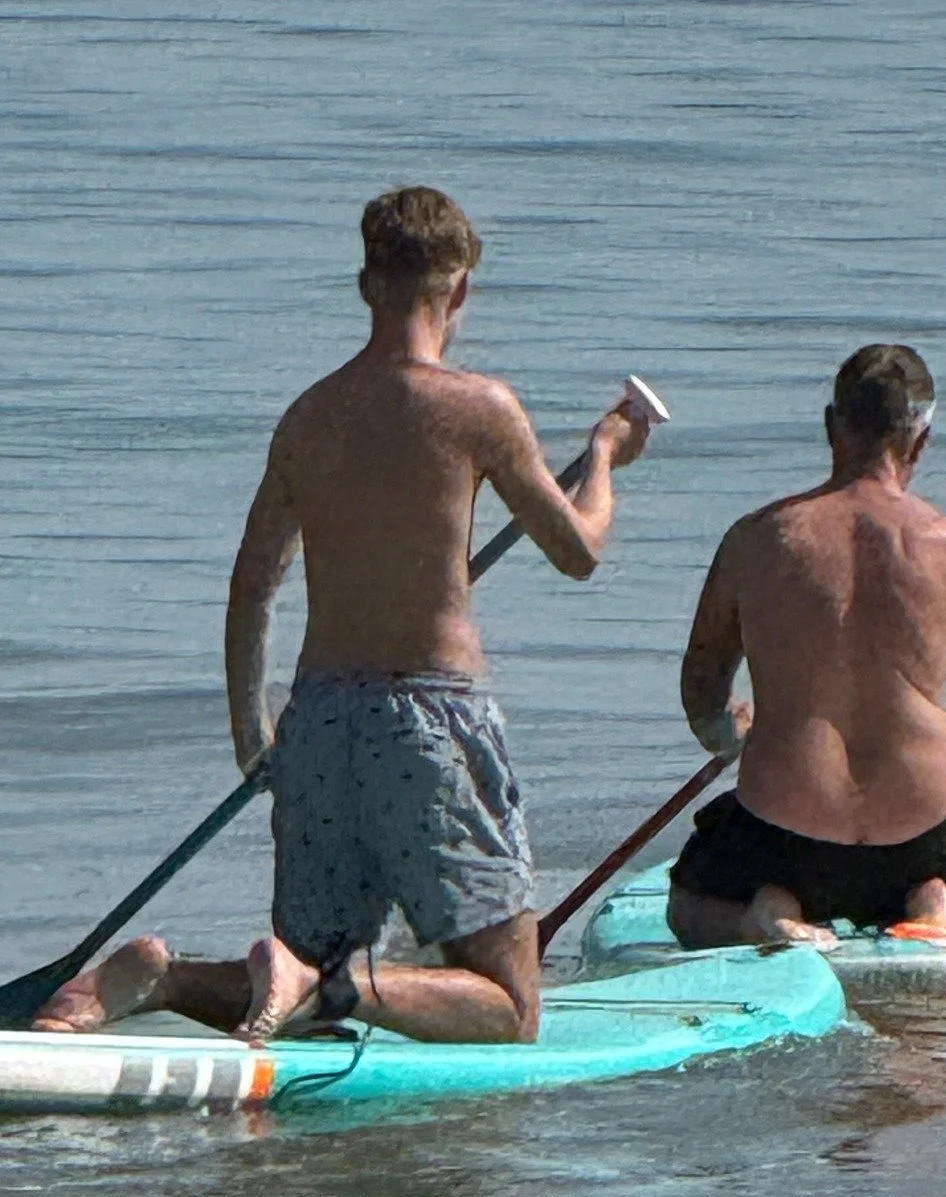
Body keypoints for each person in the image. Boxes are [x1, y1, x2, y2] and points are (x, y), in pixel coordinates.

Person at [34, 185, 651, 1043]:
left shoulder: (309, 416)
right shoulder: (480, 408)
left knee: (290, 1005)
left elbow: (253, 584)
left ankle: (169, 982)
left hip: (318, 721)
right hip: (429, 719)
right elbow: (579, 551)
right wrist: (607, 457)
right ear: (461, 290)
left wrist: (254, 735)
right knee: (511, 1006)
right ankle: (338, 987)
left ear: (366, 285)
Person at [667, 343, 946, 950]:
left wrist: (728, 732)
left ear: (829, 425)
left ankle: (768, 911)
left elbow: (702, 686)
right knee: (932, 872)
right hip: (915, 829)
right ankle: (931, 898)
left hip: (785, 827)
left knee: (687, 908)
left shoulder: (758, 539)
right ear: (921, 441)